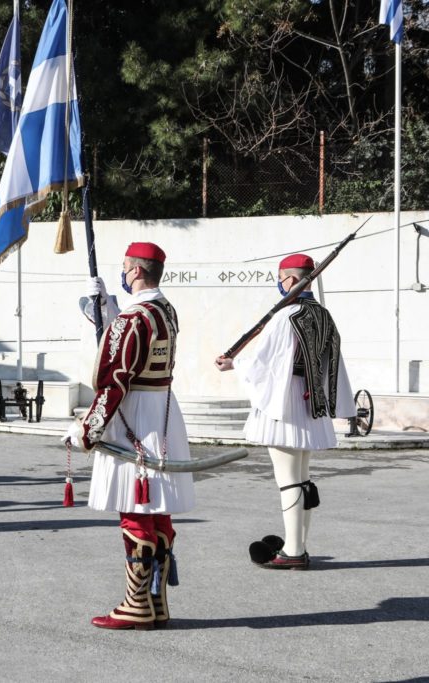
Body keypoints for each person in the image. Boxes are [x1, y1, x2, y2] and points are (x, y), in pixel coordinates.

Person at [65, 242, 195, 631]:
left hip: (134, 416)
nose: (122, 274)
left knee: (135, 511)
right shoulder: (164, 311)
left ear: (136, 271)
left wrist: (85, 431)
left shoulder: (134, 318)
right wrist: (106, 311)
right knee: (156, 513)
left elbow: (113, 380)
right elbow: (129, 345)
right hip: (163, 411)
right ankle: (154, 602)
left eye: (124, 268)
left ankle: (137, 604)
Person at [215, 253, 354, 569]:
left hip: (286, 402)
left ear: (291, 279)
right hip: (311, 402)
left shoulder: (286, 316)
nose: (279, 284)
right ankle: (298, 545)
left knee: (289, 479)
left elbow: (266, 364)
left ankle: (293, 552)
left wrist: (233, 363)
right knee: (302, 479)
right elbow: (333, 364)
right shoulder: (323, 315)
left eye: (280, 278)